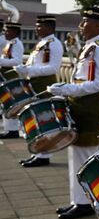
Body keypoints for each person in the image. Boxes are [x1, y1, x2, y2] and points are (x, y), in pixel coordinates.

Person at [48, 8, 99, 219]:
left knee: (85, 156)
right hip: (80, 104)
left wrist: (68, 89)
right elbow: (80, 77)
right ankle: (78, 200)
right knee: (76, 155)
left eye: (85, 22)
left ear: (98, 26)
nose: (81, 25)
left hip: (90, 106)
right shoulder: (90, 46)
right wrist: (67, 89)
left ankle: (87, 202)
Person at [15, 15, 64, 167]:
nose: (36, 29)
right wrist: (27, 68)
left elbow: (52, 68)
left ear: (49, 28)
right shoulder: (43, 42)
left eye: (39, 26)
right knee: (36, 120)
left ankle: (44, 155)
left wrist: (29, 70)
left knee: (44, 120)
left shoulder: (54, 44)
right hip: (35, 82)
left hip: (44, 83)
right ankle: (38, 153)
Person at [0, 22, 24, 138]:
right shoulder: (9, 43)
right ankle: (9, 129)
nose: (5, 33)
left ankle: (13, 130)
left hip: (11, 76)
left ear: (15, 32)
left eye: (8, 31)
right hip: (5, 75)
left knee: (11, 103)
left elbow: (17, 61)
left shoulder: (16, 44)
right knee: (5, 103)